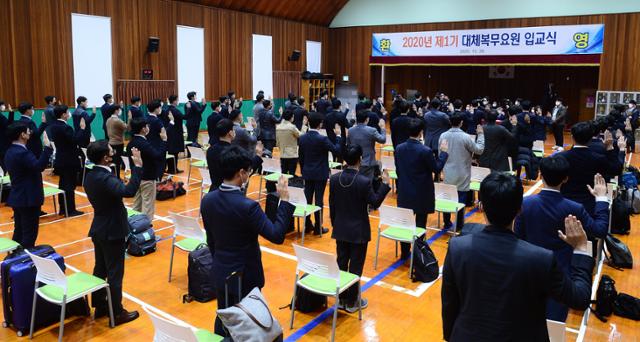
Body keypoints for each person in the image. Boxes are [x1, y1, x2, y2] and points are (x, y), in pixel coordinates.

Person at [441, 172, 594, 341]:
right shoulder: (541, 259)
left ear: (481, 206)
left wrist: (450, 336)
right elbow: (579, 298)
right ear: (520, 208)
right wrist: (581, 249)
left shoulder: (457, 247)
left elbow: (449, 304)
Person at [201, 146, 294, 336]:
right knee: (248, 324)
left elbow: (211, 240)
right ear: (241, 173)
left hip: (221, 270)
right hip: (246, 275)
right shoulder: (248, 206)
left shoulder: (208, 200)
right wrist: (283, 201)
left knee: (225, 316)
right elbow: (276, 235)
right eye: (248, 172)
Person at [515, 155, 609, 321]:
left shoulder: (525, 203)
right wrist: (601, 198)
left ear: (540, 175)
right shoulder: (575, 208)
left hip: (527, 274)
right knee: (553, 328)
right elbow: (600, 230)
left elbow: (518, 239)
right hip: (560, 278)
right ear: (566, 178)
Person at [84, 140, 143, 326]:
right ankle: (117, 313)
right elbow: (129, 191)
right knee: (115, 273)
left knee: (99, 269)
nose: (113, 153)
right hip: (112, 231)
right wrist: (138, 167)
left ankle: (101, 306)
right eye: (110, 151)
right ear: (105, 157)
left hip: (99, 228)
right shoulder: (105, 178)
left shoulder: (91, 175)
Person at [329, 145, 391, 312]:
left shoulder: (335, 179)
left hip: (341, 229)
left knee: (341, 263)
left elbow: (332, 207)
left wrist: (336, 225)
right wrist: (385, 185)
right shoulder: (363, 181)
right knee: (355, 266)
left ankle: (341, 298)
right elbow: (375, 202)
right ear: (360, 160)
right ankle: (352, 301)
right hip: (359, 231)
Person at [395, 118, 448, 259]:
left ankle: (404, 253)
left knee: (405, 224)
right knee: (420, 225)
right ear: (421, 133)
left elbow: (398, 170)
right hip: (421, 193)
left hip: (405, 191)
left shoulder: (399, 148)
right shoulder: (425, 150)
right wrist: (443, 153)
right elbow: (436, 169)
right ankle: (419, 254)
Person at [4, 122, 53, 248]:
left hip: (17, 196)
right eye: (27, 131)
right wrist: (47, 148)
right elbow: (38, 166)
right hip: (28, 198)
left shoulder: (10, 151)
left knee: (19, 230)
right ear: (22, 135)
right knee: (29, 234)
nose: (30, 133)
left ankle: (15, 259)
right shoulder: (22, 153)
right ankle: (25, 260)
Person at [559, 122, 625, 215]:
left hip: (564, 203)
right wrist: (610, 148)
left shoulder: (561, 157)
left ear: (572, 137)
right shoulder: (599, 158)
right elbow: (616, 169)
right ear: (591, 139)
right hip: (591, 204)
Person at [439, 113, 484, 231]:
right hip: (462, 172)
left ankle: (447, 222)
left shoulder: (443, 135)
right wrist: (480, 134)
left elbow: (441, 154)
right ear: (461, 123)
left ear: (450, 122)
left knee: (447, 198)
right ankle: (459, 226)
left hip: (448, 171)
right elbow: (479, 150)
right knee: (461, 199)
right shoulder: (465, 137)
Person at [298, 112, 342, 235]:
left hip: (307, 172)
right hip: (320, 173)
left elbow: (301, 158)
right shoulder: (322, 139)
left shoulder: (302, 138)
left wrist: (303, 171)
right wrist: (338, 136)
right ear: (320, 124)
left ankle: (307, 225)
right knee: (319, 200)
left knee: (307, 199)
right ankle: (318, 227)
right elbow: (337, 150)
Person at [49, 105, 87, 217]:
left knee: (63, 185)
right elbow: (75, 140)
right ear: (63, 114)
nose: (69, 113)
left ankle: (63, 208)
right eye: (67, 112)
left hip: (61, 159)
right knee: (69, 186)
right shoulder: (65, 127)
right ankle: (70, 210)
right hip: (69, 160)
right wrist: (82, 129)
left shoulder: (54, 126)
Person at [126, 117, 164, 219]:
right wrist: (164, 141)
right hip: (147, 178)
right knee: (148, 207)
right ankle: (147, 231)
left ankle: (134, 228)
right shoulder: (143, 144)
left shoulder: (131, 143)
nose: (148, 128)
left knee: (136, 205)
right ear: (143, 129)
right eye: (147, 126)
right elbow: (158, 156)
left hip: (136, 177)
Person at [347, 111, 386, 180]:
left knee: (356, 182)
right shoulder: (371, 130)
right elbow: (383, 140)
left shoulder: (350, 130)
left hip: (355, 162)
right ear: (367, 119)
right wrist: (382, 128)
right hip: (368, 162)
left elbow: (349, 145)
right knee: (367, 184)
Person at [276, 110, 307, 176]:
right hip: (292, 155)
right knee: (291, 175)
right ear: (292, 117)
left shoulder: (278, 127)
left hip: (282, 154)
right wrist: (304, 125)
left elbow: (277, 143)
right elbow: (301, 135)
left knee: (283, 175)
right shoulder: (292, 127)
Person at [206, 119, 234, 191]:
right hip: (228, 191)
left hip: (213, 190)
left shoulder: (210, 150)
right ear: (230, 133)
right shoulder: (233, 151)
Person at [106, 104, 127, 179]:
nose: (120, 111)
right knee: (117, 162)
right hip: (118, 144)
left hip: (111, 143)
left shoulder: (108, 120)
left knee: (112, 161)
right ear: (116, 111)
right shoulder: (117, 120)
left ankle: (112, 176)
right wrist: (130, 118)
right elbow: (127, 128)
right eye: (119, 109)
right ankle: (117, 177)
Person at [165, 95, 185, 173]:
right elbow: (184, 117)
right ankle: (173, 169)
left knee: (171, 151)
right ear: (174, 101)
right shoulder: (175, 110)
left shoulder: (167, 109)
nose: (178, 101)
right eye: (177, 100)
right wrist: (190, 109)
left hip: (170, 132)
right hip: (175, 133)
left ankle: (171, 168)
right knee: (175, 152)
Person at [0, 101, 14, 170]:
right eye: (2, 105)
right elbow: (9, 125)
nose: (3, 106)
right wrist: (11, 112)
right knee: (4, 160)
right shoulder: (1, 117)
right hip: (2, 141)